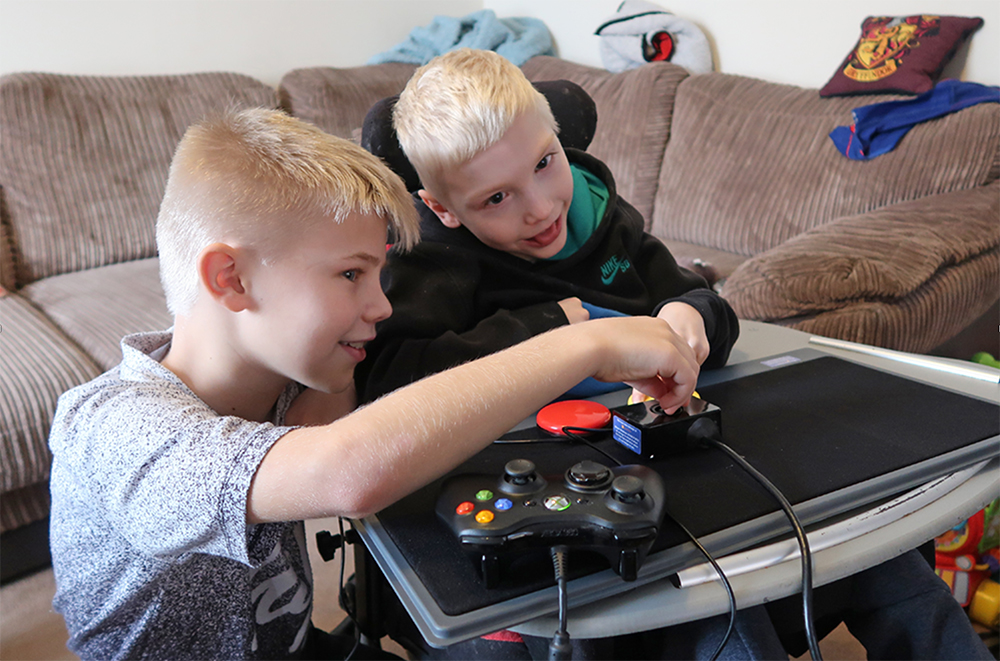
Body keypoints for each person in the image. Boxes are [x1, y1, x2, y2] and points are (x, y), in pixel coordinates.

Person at [46, 107, 718, 661]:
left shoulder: (281, 387)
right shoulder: (118, 428)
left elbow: (356, 420)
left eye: (378, 275)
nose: (383, 305)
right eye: (349, 275)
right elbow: (348, 468)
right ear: (232, 278)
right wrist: (584, 342)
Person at [354, 48, 739, 405]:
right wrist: (544, 329)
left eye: (543, 163)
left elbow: (709, 309)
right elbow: (384, 378)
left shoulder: (603, 215)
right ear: (443, 209)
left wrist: (690, 314)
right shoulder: (431, 262)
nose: (540, 209)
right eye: (497, 198)